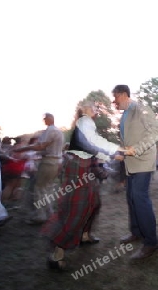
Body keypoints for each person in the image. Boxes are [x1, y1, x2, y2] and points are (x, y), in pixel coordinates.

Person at [41, 101, 124, 269]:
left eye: (94, 108)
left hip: (83, 167)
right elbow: (93, 147)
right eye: (92, 107)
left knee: (94, 203)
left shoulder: (86, 125)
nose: (95, 110)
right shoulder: (85, 122)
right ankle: (57, 254)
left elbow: (91, 153)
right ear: (84, 111)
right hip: (78, 169)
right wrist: (114, 155)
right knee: (77, 210)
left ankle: (85, 235)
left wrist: (102, 170)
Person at [112, 84, 158, 261]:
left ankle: (151, 242)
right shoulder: (125, 114)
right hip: (130, 163)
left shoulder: (141, 108)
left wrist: (137, 149)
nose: (114, 101)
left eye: (116, 97)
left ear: (123, 94)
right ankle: (136, 232)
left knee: (140, 198)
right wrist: (121, 153)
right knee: (131, 198)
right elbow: (129, 141)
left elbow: (156, 131)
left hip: (143, 162)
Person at [13, 113, 64, 224]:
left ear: (50, 119)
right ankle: (49, 212)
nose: (44, 120)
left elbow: (41, 146)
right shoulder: (59, 132)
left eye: (45, 119)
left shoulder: (50, 130)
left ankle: (40, 215)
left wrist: (23, 149)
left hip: (48, 162)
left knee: (39, 188)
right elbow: (47, 149)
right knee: (46, 188)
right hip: (55, 162)